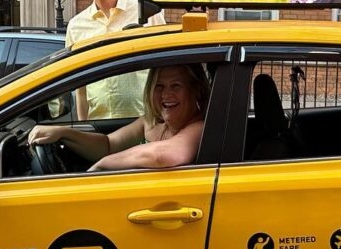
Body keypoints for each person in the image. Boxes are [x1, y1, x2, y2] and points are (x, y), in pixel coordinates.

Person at [27, 64, 210, 172]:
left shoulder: (200, 126)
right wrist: (63, 133)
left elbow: (161, 156)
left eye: (176, 86)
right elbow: (108, 145)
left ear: (195, 91)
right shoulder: (150, 122)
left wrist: (101, 166)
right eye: (159, 86)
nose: (165, 95)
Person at [67, 0, 166, 120]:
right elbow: (80, 88)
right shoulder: (76, 26)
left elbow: (164, 71)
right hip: (100, 125)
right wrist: (86, 129)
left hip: (145, 122)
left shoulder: (147, 14)